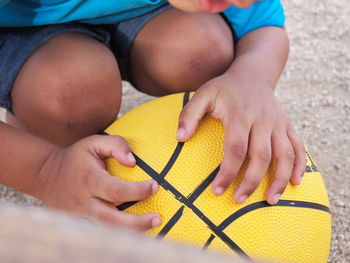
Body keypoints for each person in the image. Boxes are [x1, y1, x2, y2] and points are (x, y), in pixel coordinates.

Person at [0, 0, 306, 230]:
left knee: (205, 53)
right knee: (69, 91)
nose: (243, 2)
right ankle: (33, 115)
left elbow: (263, 25)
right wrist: (46, 170)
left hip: (136, 11)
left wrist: (252, 77)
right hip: (17, 25)